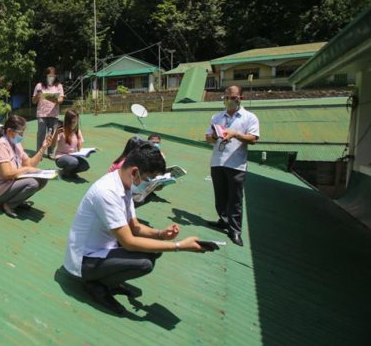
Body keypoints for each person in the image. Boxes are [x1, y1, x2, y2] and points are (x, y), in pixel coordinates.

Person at [63, 147, 206, 315]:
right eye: (148, 178)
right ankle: (95, 285)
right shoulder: (107, 192)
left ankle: (108, 280)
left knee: (155, 249)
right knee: (144, 263)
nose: (150, 183)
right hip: (83, 260)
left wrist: (161, 234)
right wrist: (179, 246)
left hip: (103, 247)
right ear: (135, 171)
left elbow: (134, 226)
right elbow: (129, 242)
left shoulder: (124, 184)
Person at [205, 85, 260, 246]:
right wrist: (215, 136)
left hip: (236, 163)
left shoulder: (249, 117)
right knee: (220, 195)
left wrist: (235, 134)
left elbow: (253, 139)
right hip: (217, 161)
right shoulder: (216, 117)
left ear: (240, 98)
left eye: (233, 97)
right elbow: (208, 138)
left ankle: (235, 230)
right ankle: (223, 220)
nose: (229, 100)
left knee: (235, 198)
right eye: (226, 97)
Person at [0, 115, 52, 218]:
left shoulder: (16, 144)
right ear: (9, 131)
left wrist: (43, 148)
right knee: (32, 183)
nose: (22, 136)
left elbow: (29, 164)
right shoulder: (0, 145)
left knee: (43, 179)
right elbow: (7, 174)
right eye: (20, 133)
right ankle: (9, 205)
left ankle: (16, 201)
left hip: (11, 183)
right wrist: (27, 170)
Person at [32, 67, 65, 157]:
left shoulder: (58, 86)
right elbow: (34, 101)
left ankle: (50, 153)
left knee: (52, 134)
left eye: (53, 75)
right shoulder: (39, 85)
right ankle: (39, 153)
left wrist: (57, 100)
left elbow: (61, 99)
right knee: (41, 134)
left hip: (54, 114)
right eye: (49, 75)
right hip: (42, 113)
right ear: (45, 75)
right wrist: (37, 96)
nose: (51, 77)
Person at [51, 109, 89, 179]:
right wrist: (56, 133)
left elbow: (80, 149)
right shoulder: (61, 131)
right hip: (61, 157)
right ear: (68, 121)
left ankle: (70, 172)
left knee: (85, 165)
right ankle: (62, 172)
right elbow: (52, 145)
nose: (75, 124)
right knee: (73, 162)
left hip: (73, 156)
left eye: (76, 121)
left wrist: (86, 153)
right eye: (73, 122)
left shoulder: (77, 131)